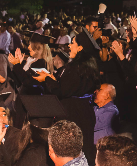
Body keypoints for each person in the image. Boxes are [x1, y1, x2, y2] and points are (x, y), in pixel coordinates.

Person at [34, 35, 101, 163]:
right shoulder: (89, 66)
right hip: (85, 111)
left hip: (73, 113)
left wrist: (47, 79)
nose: (69, 46)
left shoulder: (76, 67)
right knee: (84, 148)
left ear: (80, 47)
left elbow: (62, 90)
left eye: (73, 43)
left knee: (68, 149)